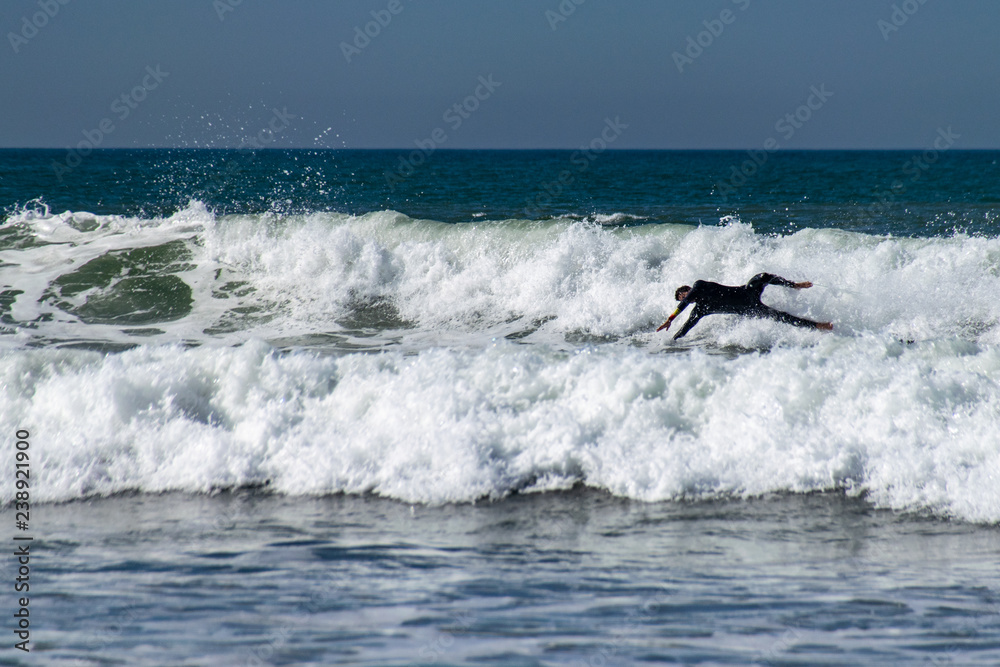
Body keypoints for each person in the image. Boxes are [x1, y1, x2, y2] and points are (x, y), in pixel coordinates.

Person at [656, 273, 833, 339]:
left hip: (745, 293)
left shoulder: (699, 285)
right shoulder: (700, 310)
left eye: (683, 295)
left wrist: (670, 319)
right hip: (749, 309)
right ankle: (818, 326)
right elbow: (684, 329)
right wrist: (671, 342)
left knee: (762, 276)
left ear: (688, 289)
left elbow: (687, 300)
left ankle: (793, 285)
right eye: (681, 298)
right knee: (782, 317)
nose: (684, 298)